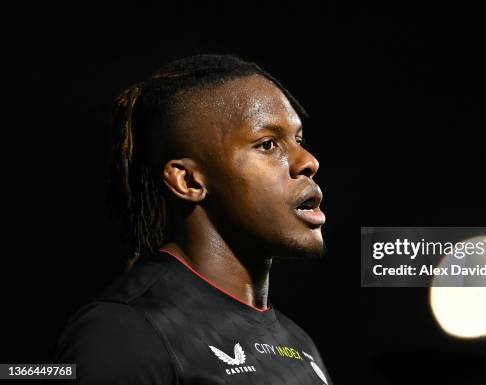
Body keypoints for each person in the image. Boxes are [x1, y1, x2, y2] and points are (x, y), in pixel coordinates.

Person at [52, 54, 332, 385]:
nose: (308, 161)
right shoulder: (124, 332)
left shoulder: (299, 343)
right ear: (189, 181)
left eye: (298, 140)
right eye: (268, 144)